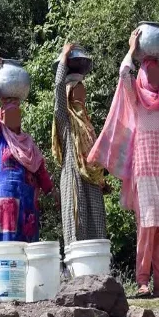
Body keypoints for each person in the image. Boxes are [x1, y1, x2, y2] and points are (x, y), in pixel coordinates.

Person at [89, 29, 159, 298]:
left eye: (158, 74)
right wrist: (132, 48)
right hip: (143, 172)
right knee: (146, 226)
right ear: (142, 75)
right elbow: (123, 75)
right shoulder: (136, 100)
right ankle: (143, 281)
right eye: (150, 73)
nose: (155, 78)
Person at [0, 58, 54, 242]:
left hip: (28, 206)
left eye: (17, 112)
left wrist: (54, 194)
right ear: (2, 115)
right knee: (7, 252)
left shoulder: (28, 143)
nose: (14, 116)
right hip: (7, 204)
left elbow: (41, 173)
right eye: (8, 112)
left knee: (28, 254)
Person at [52, 43, 107, 247]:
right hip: (74, 177)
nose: (83, 91)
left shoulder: (87, 122)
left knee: (98, 229)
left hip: (92, 181)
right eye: (79, 87)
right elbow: (57, 95)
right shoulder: (65, 119)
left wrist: (101, 177)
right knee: (78, 227)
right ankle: (78, 277)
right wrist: (64, 60)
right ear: (71, 92)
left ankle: (98, 275)